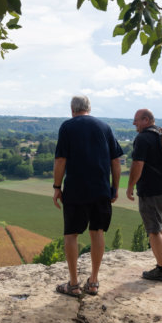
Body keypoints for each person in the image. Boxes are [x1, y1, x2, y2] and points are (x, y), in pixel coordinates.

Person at [52, 95, 123, 297]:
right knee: (97, 232)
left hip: (76, 189)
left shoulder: (67, 127)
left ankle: (73, 284)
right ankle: (93, 282)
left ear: (72, 109)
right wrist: (115, 187)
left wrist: (57, 186)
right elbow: (116, 161)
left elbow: (60, 160)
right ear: (89, 108)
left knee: (71, 234)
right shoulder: (105, 127)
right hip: (101, 189)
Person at [126, 108, 162, 283]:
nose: (134, 123)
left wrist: (130, 186)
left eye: (136, 120)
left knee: (154, 229)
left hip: (152, 191)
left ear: (146, 119)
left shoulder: (142, 138)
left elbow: (137, 165)